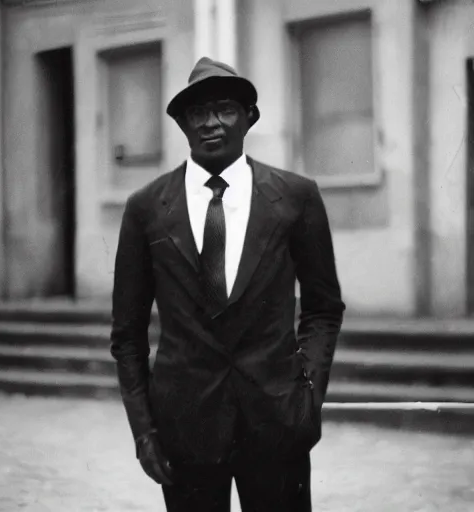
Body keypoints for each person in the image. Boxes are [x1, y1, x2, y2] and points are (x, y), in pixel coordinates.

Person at [110, 57, 345, 512]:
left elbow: (323, 307)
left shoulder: (295, 197)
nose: (211, 123)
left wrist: (307, 395)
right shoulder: (147, 208)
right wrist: (144, 431)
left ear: (248, 117)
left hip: (278, 425)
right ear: (181, 123)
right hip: (186, 430)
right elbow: (127, 336)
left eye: (225, 109)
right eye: (196, 113)